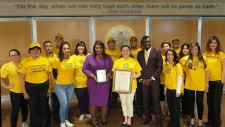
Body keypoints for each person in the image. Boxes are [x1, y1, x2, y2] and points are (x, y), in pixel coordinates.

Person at [20, 42, 52, 127]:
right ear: (29, 51)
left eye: (37, 49)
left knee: (43, 106)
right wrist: (24, 92)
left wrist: (49, 88)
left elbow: (49, 75)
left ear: (40, 51)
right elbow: (22, 78)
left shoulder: (45, 60)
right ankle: (34, 125)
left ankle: (43, 124)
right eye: (33, 50)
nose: (35, 51)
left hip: (44, 86)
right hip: (31, 87)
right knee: (33, 108)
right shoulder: (25, 61)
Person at [82, 40, 113, 127]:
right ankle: (93, 119)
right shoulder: (89, 57)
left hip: (105, 83)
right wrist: (93, 76)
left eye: (100, 47)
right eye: (96, 48)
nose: (98, 49)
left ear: (103, 48)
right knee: (93, 101)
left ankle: (104, 118)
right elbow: (84, 69)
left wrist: (109, 75)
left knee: (104, 101)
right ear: (94, 48)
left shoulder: (108, 57)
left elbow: (111, 68)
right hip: (93, 83)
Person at [112, 43, 142, 127]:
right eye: (124, 50)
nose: (125, 52)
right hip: (121, 86)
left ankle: (129, 119)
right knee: (123, 103)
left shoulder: (134, 61)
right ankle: (125, 118)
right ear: (121, 52)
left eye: (127, 50)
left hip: (132, 86)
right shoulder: (117, 61)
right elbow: (114, 73)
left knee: (129, 102)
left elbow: (139, 72)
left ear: (130, 51)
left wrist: (136, 75)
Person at [180, 42, 209, 127]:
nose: (194, 51)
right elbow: (179, 68)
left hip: (200, 85)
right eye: (192, 49)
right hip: (189, 85)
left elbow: (207, 72)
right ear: (190, 50)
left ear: (198, 49)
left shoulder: (203, 58)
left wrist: (207, 84)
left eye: (196, 49)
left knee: (199, 102)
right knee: (190, 103)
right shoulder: (185, 59)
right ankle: (192, 119)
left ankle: (200, 120)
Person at [137, 36, 163, 127]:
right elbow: (138, 68)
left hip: (154, 82)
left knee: (155, 101)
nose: (146, 43)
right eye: (144, 42)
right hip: (143, 82)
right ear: (142, 44)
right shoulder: (139, 54)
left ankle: (159, 119)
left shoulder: (157, 52)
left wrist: (152, 78)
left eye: (148, 41)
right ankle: (148, 118)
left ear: (150, 42)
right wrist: (141, 79)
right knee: (145, 101)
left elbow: (159, 67)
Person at [1, 49, 29, 127]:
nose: (14, 57)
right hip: (15, 92)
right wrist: (6, 86)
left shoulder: (25, 63)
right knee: (15, 110)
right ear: (10, 57)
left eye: (15, 55)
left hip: (25, 91)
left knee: (24, 108)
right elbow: (1, 77)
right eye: (11, 55)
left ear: (19, 55)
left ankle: (24, 122)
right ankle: (13, 125)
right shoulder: (6, 66)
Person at [52, 42, 75, 127]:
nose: (66, 50)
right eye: (64, 49)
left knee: (68, 104)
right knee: (64, 104)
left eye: (67, 48)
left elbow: (74, 70)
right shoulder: (57, 60)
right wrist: (59, 80)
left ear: (69, 49)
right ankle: (62, 122)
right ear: (61, 50)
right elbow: (54, 72)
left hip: (70, 85)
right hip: (60, 86)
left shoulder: (72, 58)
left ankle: (66, 120)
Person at [204, 36, 225, 127]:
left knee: (216, 103)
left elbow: (224, 69)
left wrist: (222, 81)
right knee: (209, 102)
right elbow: (204, 69)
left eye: (215, 43)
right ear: (208, 44)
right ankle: (210, 121)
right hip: (208, 82)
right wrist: (206, 83)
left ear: (217, 44)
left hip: (217, 82)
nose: (213, 44)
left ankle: (217, 123)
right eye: (211, 43)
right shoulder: (205, 54)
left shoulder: (221, 54)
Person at [163, 49, 183, 127]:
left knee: (175, 108)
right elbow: (166, 78)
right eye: (168, 55)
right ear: (166, 56)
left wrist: (178, 90)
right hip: (169, 89)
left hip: (175, 90)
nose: (170, 56)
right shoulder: (166, 65)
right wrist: (165, 89)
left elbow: (179, 78)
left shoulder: (177, 65)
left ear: (174, 56)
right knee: (170, 107)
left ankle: (176, 124)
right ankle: (172, 122)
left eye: (171, 54)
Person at [41, 41, 59, 124]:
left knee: (56, 101)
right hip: (45, 83)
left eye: (50, 46)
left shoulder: (57, 57)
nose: (48, 48)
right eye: (46, 46)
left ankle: (56, 115)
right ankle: (47, 117)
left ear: (52, 47)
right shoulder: (41, 58)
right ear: (44, 48)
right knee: (45, 102)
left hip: (56, 83)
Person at [73, 41, 91, 121]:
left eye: (82, 46)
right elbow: (71, 70)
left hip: (89, 82)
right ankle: (82, 113)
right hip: (78, 82)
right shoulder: (73, 57)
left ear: (85, 47)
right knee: (80, 99)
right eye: (79, 46)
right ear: (77, 47)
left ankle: (87, 112)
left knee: (88, 98)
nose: (81, 48)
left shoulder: (88, 55)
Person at [105, 37, 121, 113]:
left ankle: (114, 105)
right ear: (107, 44)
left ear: (115, 43)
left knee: (115, 92)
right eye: (109, 42)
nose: (111, 43)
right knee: (107, 91)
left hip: (116, 75)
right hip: (107, 75)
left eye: (113, 42)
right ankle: (108, 106)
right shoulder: (104, 51)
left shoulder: (119, 51)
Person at [129, 36, 143, 116]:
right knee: (130, 93)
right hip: (129, 76)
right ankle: (131, 108)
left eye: (135, 40)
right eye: (131, 41)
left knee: (138, 93)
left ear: (137, 42)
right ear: (130, 42)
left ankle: (138, 108)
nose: (133, 42)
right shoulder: (127, 50)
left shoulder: (140, 51)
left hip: (138, 75)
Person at [160, 41, 171, 117]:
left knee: (170, 97)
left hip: (170, 81)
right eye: (164, 46)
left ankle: (170, 110)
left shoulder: (172, 56)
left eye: (167, 46)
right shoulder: (160, 57)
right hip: (161, 81)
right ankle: (162, 110)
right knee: (162, 97)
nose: (165, 48)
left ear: (169, 47)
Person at [179, 43, 190, 118]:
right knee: (183, 96)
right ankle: (184, 112)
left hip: (189, 80)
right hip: (182, 80)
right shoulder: (180, 58)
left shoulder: (191, 58)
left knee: (188, 97)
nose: (185, 50)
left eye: (186, 48)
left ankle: (188, 112)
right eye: (183, 48)